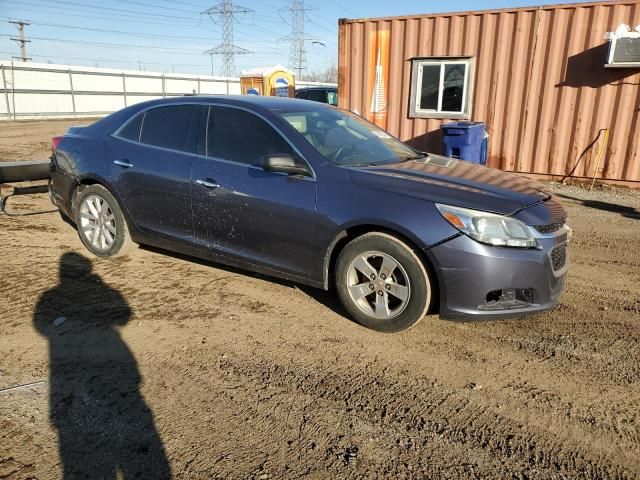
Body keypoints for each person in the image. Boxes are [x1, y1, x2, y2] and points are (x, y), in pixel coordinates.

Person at [34, 252, 171, 479]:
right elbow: (124, 315)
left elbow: (41, 325)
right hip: (107, 362)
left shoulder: (51, 296)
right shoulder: (93, 290)